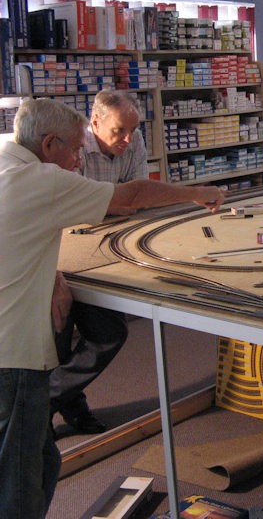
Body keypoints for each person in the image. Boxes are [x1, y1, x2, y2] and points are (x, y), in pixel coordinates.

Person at [0, 98, 224, 519]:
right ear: (49, 145)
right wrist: (199, 193)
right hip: (12, 357)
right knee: (19, 481)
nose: (75, 161)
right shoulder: (42, 179)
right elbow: (133, 195)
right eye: (71, 151)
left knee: (42, 461)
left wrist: (48, 273)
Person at [50, 90, 150, 434]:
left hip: (104, 250)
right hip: (59, 253)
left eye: (131, 131)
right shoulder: (72, 147)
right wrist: (116, 202)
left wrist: (110, 203)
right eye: (118, 131)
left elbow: (138, 195)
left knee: (109, 332)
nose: (126, 139)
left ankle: (49, 400)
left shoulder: (134, 140)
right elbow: (71, 206)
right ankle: (64, 410)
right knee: (56, 340)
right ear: (95, 124)